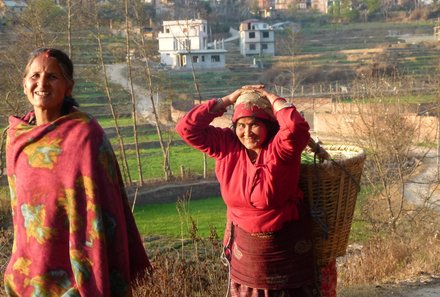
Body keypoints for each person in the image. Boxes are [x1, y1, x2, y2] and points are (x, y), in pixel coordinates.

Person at [3, 47, 152, 296]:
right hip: (27, 275)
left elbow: (105, 208)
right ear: (24, 84)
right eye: (35, 76)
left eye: (52, 76)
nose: (42, 83)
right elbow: (20, 214)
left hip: (75, 278)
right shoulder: (16, 137)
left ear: (68, 87)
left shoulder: (85, 135)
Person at [176, 84, 338, 297]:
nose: (246, 132)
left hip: (285, 248)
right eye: (241, 125)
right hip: (246, 252)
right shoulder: (226, 146)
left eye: (254, 125)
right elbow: (186, 128)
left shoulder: (281, 149)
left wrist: (271, 98)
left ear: (269, 125)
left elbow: (296, 128)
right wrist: (227, 100)